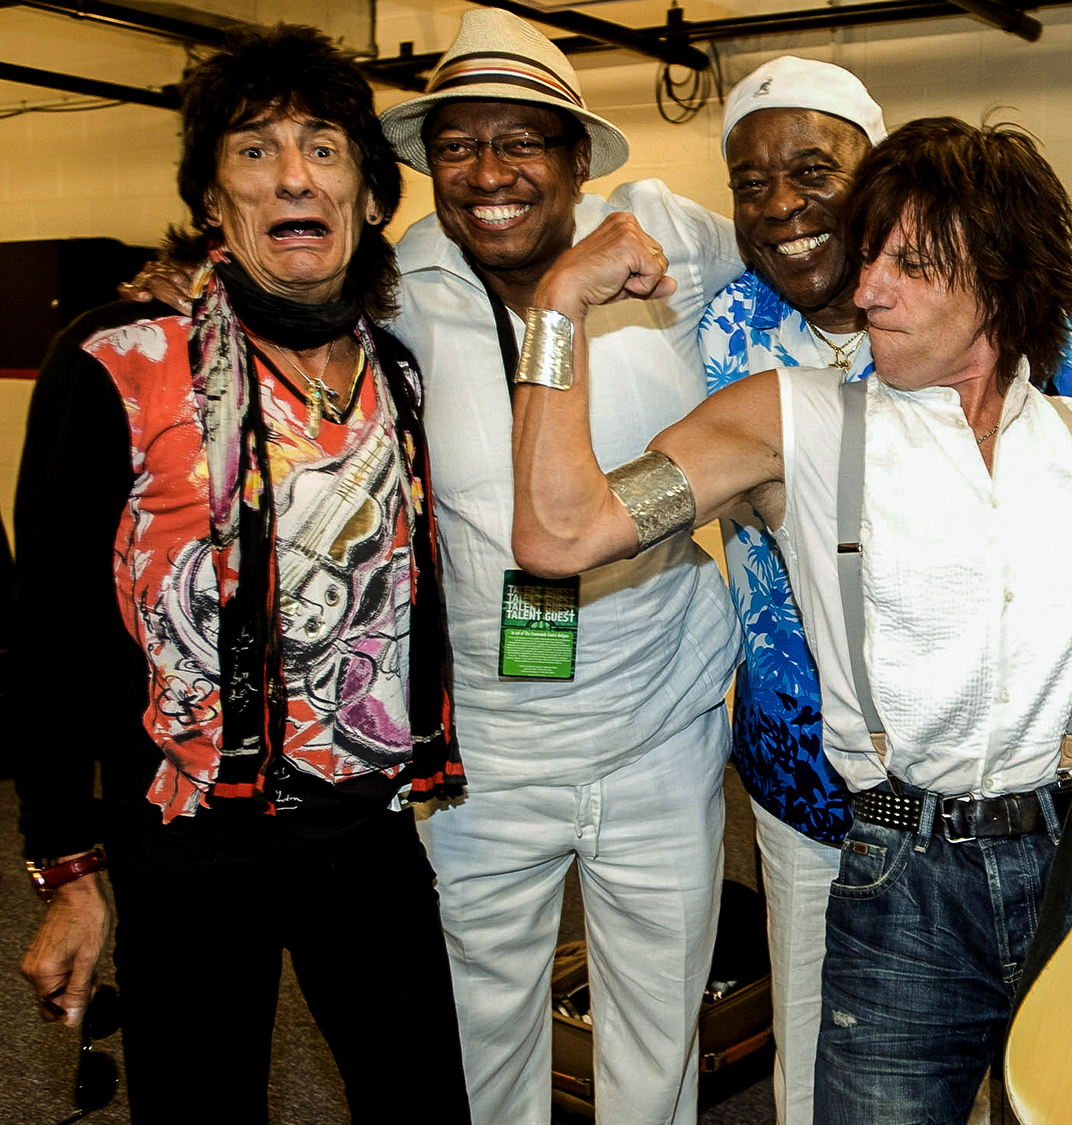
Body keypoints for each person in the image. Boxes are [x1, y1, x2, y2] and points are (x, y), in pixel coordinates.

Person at [507, 116, 1072, 1125]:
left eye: (909, 265)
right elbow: (559, 538)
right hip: (903, 884)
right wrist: (558, 305)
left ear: (997, 275)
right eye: (870, 256)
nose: (867, 288)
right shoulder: (797, 422)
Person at [696, 56, 1072, 1125]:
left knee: (1037, 1070)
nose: (784, 205)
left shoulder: (1015, 332)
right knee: (821, 1078)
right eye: (750, 183)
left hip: (1015, 779)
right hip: (807, 776)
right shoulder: (718, 327)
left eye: (812, 170)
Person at [11, 25, 468, 1123]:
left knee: (421, 1101)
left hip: (365, 828)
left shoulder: (394, 369)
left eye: (323, 147)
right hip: (188, 846)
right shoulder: (117, 356)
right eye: (254, 152)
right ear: (214, 202)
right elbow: (51, 628)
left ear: (366, 195)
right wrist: (66, 865)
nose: (294, 174)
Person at [375, 12, 744, 1124]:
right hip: (480, 753)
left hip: (658, 733)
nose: (488, 174)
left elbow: (818, 254)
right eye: (456, 146)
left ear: (579, 160)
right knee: (483, 1041)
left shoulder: (670, 239)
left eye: (522, 142)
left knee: (654, 1036)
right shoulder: (389, 292)